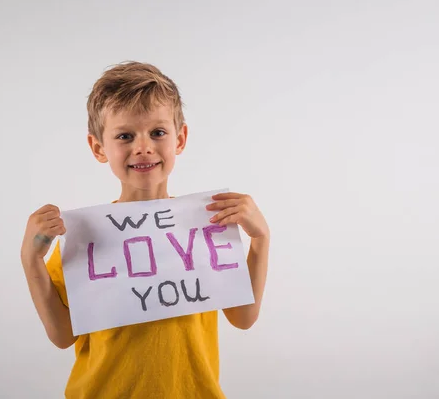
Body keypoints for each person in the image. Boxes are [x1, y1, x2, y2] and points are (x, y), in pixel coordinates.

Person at [20, 61, 270, 398]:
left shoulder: (206, 227)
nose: (143, 147)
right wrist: (31, 260)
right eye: (125, 135)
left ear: (179, 138)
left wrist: (260, 239)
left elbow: (243, 317)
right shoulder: (85, 238)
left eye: (158, 132)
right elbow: (64, 335)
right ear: (98, 148)